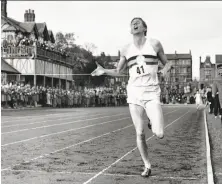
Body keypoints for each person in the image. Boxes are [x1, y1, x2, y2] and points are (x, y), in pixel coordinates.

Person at [91, 17, 172, 177]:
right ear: (130, 29)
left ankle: (152, 121)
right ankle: (147, 165)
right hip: (134, 93)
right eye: (132, 23)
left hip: (151, 92)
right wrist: (104, 71)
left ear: (144, 28)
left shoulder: (155, 44)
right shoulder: (126, 49)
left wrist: (166, 69)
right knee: (139, 132)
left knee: (160, 133)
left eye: (138, 22)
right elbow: (119, 71)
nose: (134, 24)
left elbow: (167, 63)